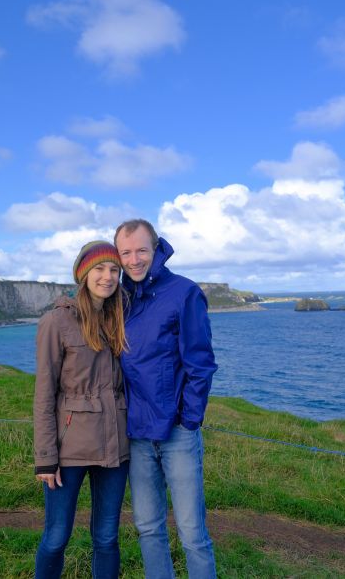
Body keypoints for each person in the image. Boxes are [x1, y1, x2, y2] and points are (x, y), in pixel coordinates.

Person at [114, 219, 218, 579]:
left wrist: (188, 420)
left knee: (191, 533)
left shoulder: (184, 293)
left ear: (156, 248)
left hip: (176, 433)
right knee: (148, 527)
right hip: (138, 434)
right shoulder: (120, 299)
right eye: (125, 252)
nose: (134, 259)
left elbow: (200, 363)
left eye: (141, 250)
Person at [33, 240, 131, 579]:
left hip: (115, 448)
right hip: (68, 451)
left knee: (106, 538)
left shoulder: (119, 317)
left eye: (114, 270)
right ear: (83, 274)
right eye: (100, 269)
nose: (108, 276)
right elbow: (44, 394)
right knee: (57, 537)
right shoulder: (56, 322)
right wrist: (45, 457)